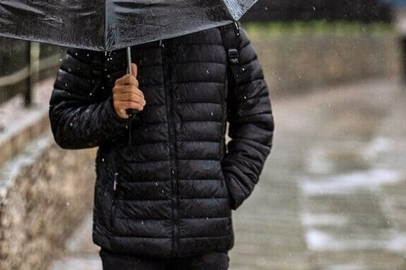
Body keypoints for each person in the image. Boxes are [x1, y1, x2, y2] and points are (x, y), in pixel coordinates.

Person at [49, 22, 273, 270]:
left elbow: (256, 120)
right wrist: (112, 111)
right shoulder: (104, 30)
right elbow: (63, 122)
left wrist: (227, 188)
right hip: (128, 238)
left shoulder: (222, 29)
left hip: (204, 240)